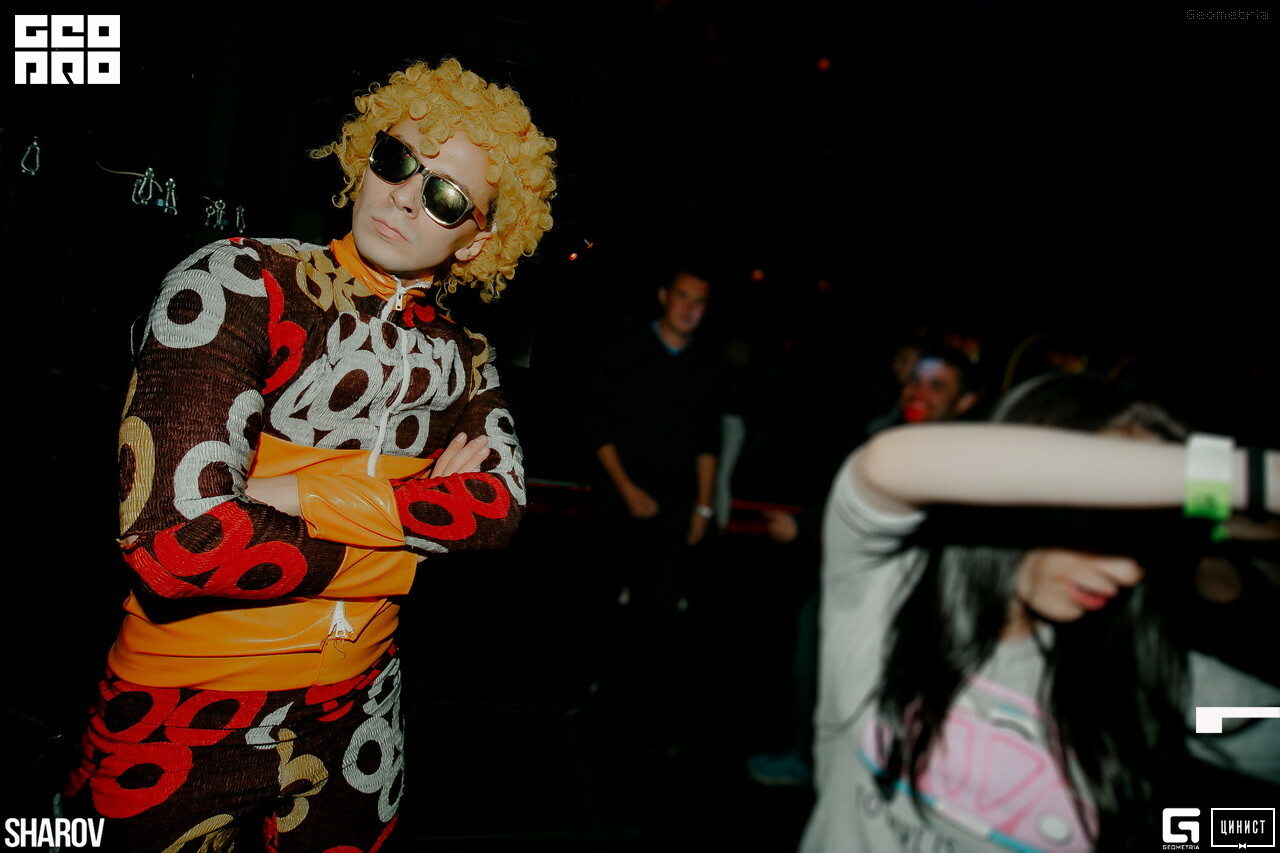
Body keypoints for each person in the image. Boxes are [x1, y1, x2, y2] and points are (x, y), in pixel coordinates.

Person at [62, 59, 556, 851]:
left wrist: (288, 495)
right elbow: (176, 543)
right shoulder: (242, 280)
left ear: (477, 241)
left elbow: (497, 512)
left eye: (444, 196)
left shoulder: (467, 357)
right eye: (396, 160)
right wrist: (406, 551)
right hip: (179, 706)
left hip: (361, 712)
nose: (405, 195)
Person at [801, 373, 1279, 851]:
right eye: (1108, 523)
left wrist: (1203, 834)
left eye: (1144, 540)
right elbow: (889, 465)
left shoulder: (1144, 679)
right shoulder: (885, 597)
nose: (1130, 570)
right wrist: (1256, 479)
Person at [585, 268, 722, 690]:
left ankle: (647, 692)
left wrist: (703, 508)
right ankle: (594, 683)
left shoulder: (707, 363)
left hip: (676, 502)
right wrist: (627, 490)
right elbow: (596, 423)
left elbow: (709, 442)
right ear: (664, 296)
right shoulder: (627, 346)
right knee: (604, 590)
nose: (689, 308)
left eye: (699, 301)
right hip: (617, 493)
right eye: (683, 296)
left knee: (663, 601)